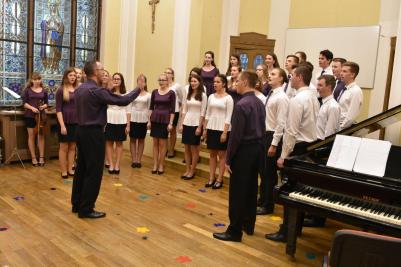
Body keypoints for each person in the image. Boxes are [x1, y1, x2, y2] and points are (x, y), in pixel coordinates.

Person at [72, 60, 140, 219]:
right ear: (95, 72)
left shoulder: (81, 88)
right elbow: (123, 100)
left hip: (81, 131)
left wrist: (107, 88)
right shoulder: (96, 91)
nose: (104, 71)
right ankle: (86, 209)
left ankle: (77, 204)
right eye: (102, 69)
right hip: (93, 133)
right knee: (94, 171)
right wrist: (139, 88)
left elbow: (103, 97)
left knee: (81, 168)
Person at [265, 65, 320, 242]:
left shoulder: (298, 99)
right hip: (309, 146)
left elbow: (291, 131)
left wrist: (284, 155)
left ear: (300, 77)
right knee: (299, 191)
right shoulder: (312, 97)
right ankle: (295, 229)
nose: (290, 78)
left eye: (293, 75)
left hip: (296, 149)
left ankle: (286, 231)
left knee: (289, 192)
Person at [213, 71, 266, 242]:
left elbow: (236, 135)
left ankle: (234, 230)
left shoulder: (242, 104)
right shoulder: (259, 102)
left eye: (237, 81)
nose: (235, 84)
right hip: (257, 150)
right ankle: (248, 225)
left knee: (237, 193)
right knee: (250, 190)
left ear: (244, 82)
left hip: (244, 151)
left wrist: (228, 158)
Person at [303, 74, 341, 228]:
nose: (317, 88)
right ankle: (311, 213)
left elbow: (330, 133)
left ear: (329, 87)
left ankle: (318, 219)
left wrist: (320, 150)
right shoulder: (322, 103)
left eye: (320, 85)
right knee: (312, 182)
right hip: (314, 144)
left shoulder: (333, 106)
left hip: (321, 147)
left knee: (319, 183)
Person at [257, 68, 289, 215]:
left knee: (269, 173)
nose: (269, 76)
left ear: (281, 79)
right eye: (269, 74)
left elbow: (281, 123)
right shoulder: (271, 94)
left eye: (274, 74)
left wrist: (274, 143)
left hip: (272, 136)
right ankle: (262, 198)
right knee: (263, 171)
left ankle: (268, 205)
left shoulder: (282, 97)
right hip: (265, 134)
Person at [203, 74, 233, 189]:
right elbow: (207, 114)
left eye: (218, 82)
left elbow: (228, 117)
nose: (215, 84)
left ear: (224, 84)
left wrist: (225, 132)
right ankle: (211, 178)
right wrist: (205, 129)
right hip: (211, 127)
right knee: (212, 154)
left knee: (221, 155)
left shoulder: (228, 98)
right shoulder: (211, 96)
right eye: (214, 82)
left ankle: (220, 179)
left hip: (222, 129)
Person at [179, 74, 207, 180]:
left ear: (199, 82)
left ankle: (192, 170)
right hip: (187, 122)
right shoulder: (188, 93)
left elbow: (203, 112)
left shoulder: (203, 95)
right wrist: (181, 124)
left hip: (196, 124)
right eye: (191, 81)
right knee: (186, 148)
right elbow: (184, 110)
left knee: (195, 149)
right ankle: (187, 169)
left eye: (195, 81)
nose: (193, 83)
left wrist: (200, 127)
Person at [148, 73, 176, 175]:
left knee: (163, 144)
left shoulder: (171, 93)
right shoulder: (154, 92)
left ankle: (161, 165)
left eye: (163, 80)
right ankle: (155, 164)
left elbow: (173, 110)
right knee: (155, 143)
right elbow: (151, 107)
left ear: (168, 81)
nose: (161, 82)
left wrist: (171, 123)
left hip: (165, 120)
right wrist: (149, 121)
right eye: (159, 80)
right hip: (155, 119)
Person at [104, 73, 130, 175]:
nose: (116, 80)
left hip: (121, 119)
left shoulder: (126, 94)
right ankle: (110, 164)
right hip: (109, 119)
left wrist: (128, 125)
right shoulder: (107, 92)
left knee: (119, 143)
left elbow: (128, 110)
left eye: (118, 79)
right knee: (109, 142)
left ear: (121, 81)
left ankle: (117, 164)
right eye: (114, 79)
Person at [56, 68, 78, 178]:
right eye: (70, 75)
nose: (73, 77)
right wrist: (62, 125)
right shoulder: (61, 90)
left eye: (74, 75)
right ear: (66, 77)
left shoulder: (78, 89)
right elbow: (58, 109)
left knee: (73, 147)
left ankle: (70, 169)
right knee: (63, 147)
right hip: (64, 122)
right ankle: (63, 170)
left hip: (76, 122)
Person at [22, 72, 48, 167]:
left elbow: (46, 103)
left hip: (41, 116)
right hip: (30, 115)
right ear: (31, 80)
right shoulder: (27, 90)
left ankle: (41, 157)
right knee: (31, 136)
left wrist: (43, 106)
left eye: (39, 79)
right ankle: (33, 158)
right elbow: (24, 103)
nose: (37, 81)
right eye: (35, 79)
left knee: (41, 136)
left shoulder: (44, 90)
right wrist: (32, 108)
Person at [129, 74, 151, 168]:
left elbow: (150, 108)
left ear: (145, 83)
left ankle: (139, 160)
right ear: (137, 82)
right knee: (133, 139)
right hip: (133, 117)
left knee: (141, 140)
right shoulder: (132, 93)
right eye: (139, 80)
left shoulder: (149, 95)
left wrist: (149, 121)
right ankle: (134, 159)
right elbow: (129, 107)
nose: (141, 82)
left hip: (143, 118)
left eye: (142, 80)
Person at [338, 61, 363, 130]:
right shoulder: (345, 88)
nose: (341, 73)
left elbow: (351, 116)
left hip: (345, 128)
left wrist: (340, 129)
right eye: (341, 71)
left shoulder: (356, 91)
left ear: (352, 75)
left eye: (344, 71)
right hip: (338, 124)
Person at [165, 67, 183, 158]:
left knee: (172, 130)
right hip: (164, 111)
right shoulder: (163, 85)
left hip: (174, 111)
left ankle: (171, 149)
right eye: (165, 72)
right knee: (164, 130)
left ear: (172, 75)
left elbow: (181, 98)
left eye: (169, 72)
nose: (167, 74)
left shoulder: (177, 86)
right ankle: (165, 149)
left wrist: (177, 108)